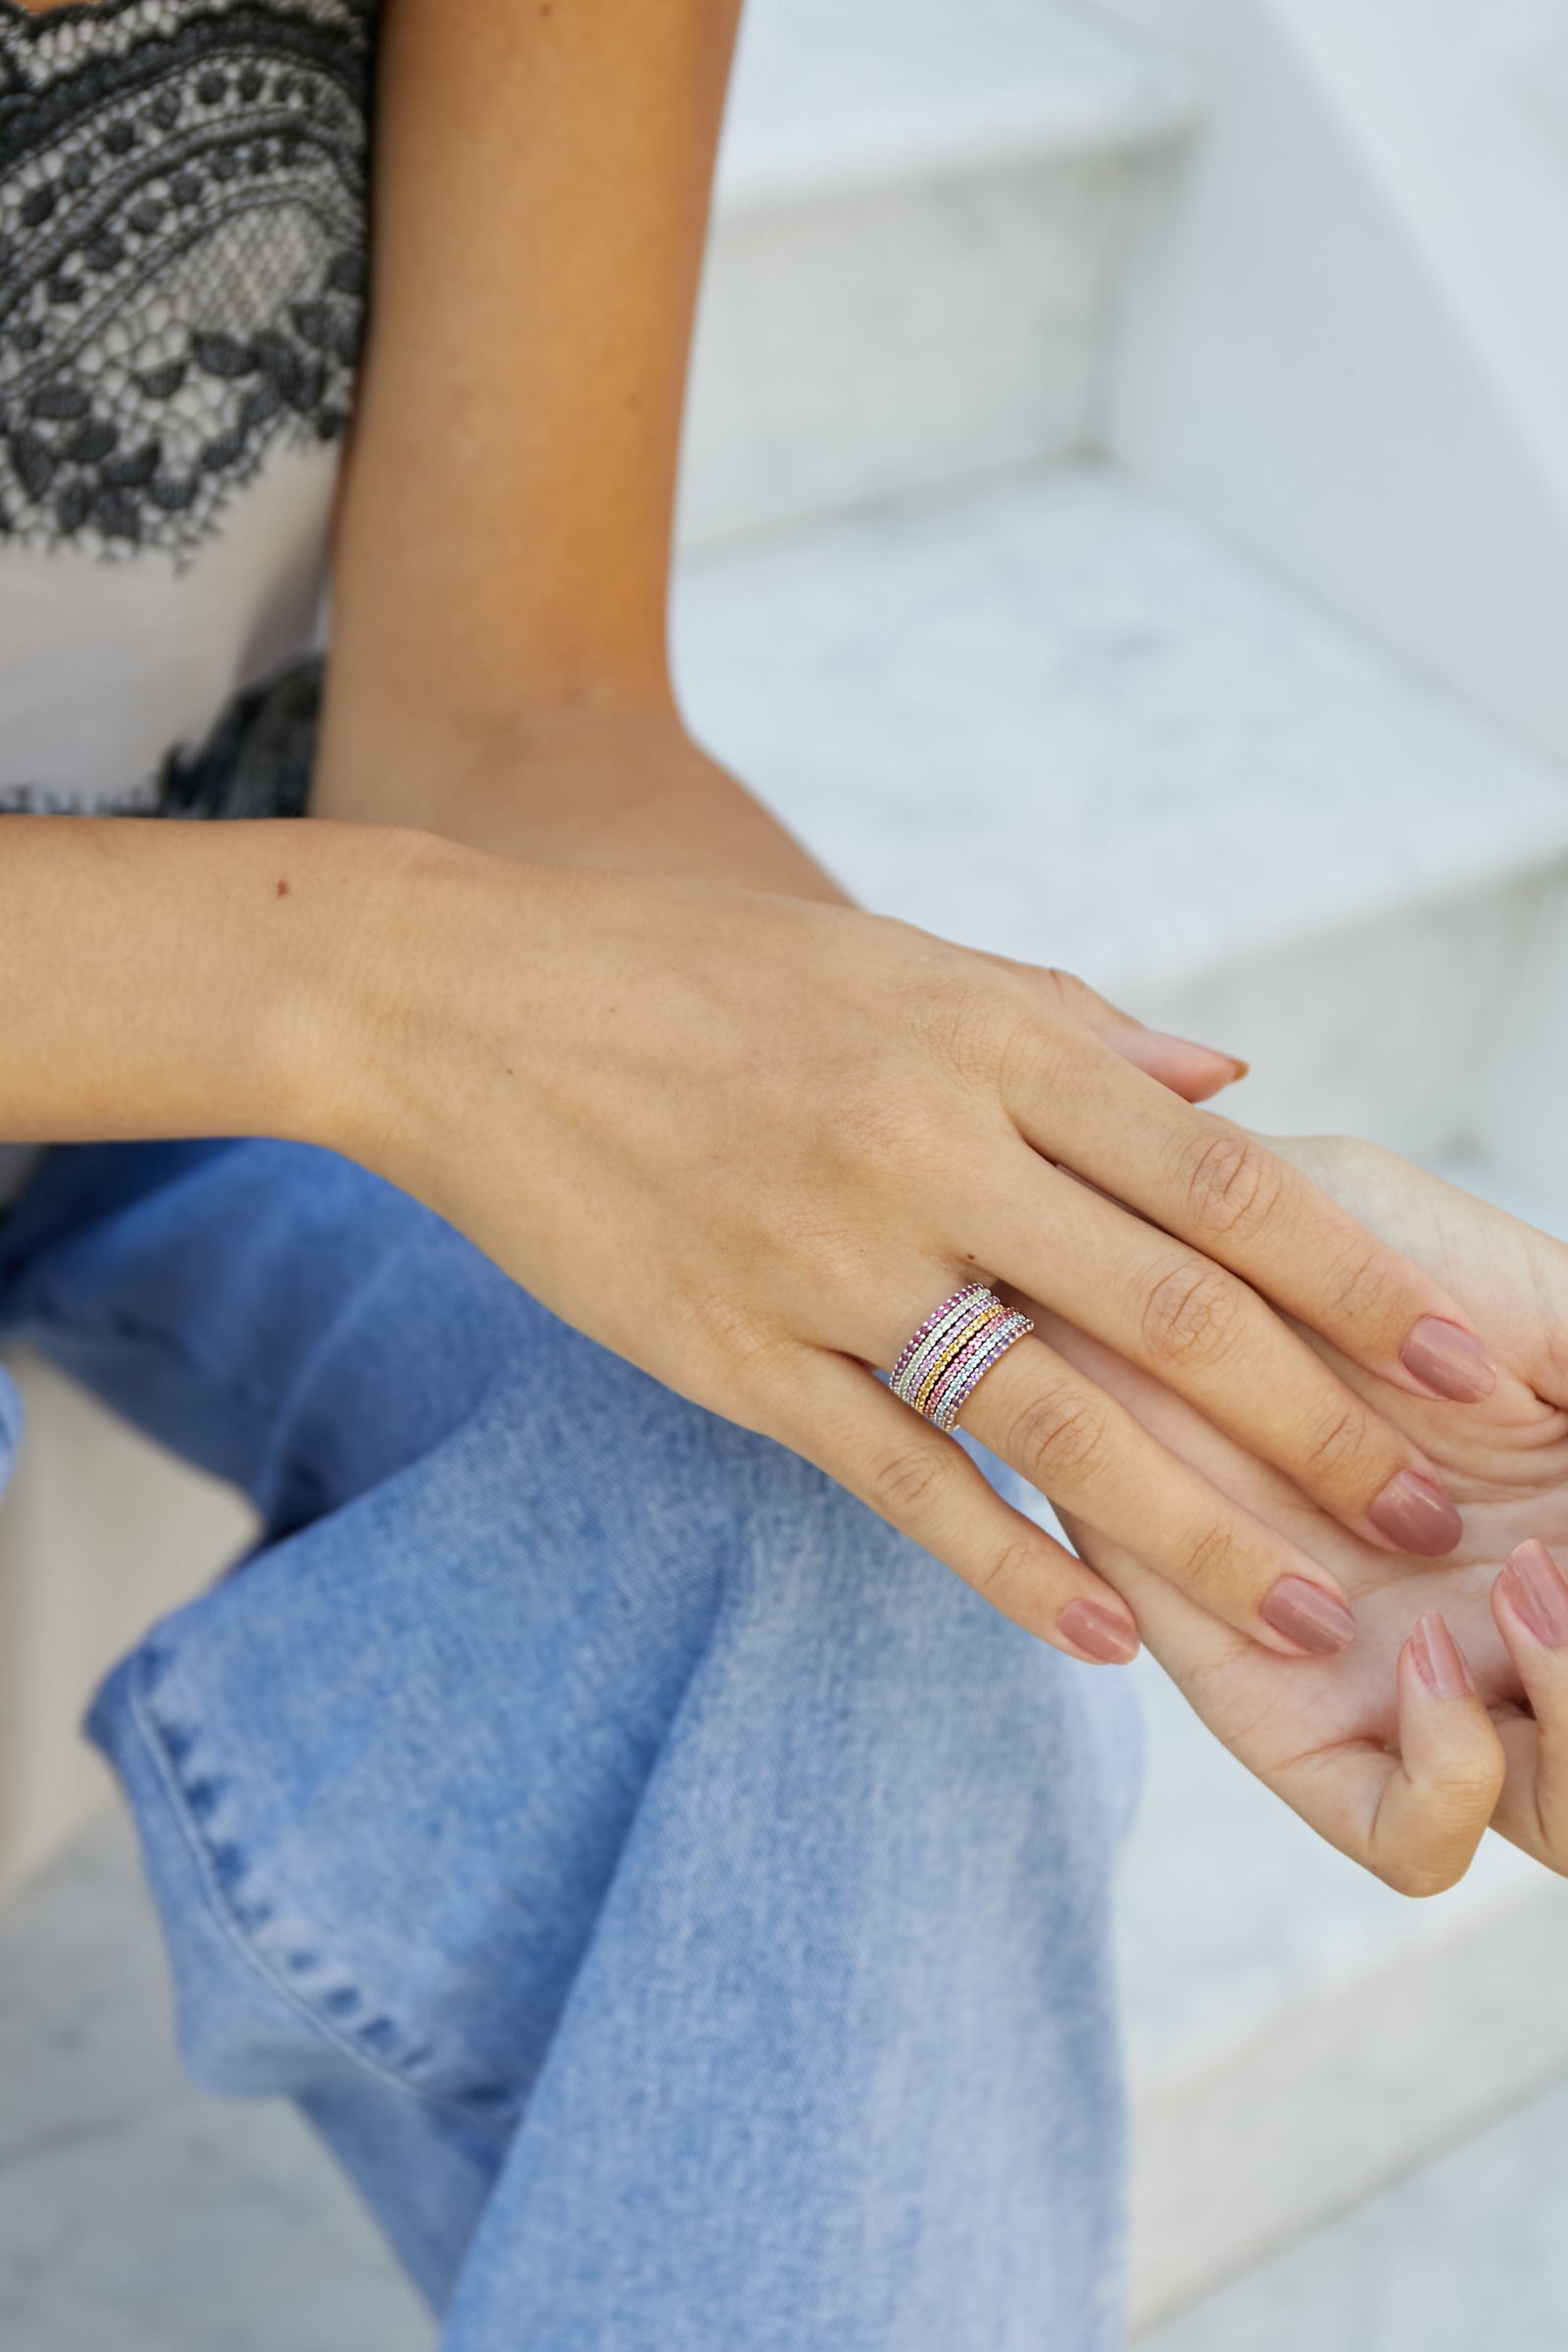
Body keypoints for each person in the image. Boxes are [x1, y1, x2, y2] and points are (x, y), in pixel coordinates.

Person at [0, 1, 1554, 2343]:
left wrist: (1149, 1302)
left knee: (868, 1506)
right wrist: (394, 990)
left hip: (271, 952)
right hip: (316, 972)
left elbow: (517, 718)